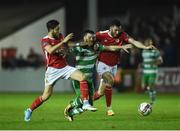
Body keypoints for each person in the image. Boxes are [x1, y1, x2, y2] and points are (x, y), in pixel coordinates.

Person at [24, 20, 97, 122]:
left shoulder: (60, 36)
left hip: (64, 67)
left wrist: (65, 51)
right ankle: (29, 110)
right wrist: (63, 42)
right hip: (52, 70)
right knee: (45, 96)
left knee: (82, 77)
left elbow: (65, 47)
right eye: (57, 29)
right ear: (51, 30)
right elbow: (50, 50)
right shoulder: (45, 40)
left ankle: (85, 103)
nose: (59, 31)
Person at [64, 30, 132, 121]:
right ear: (85, 38)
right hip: (79, 78)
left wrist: (121, 46)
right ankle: (71, 105)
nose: (91, 39)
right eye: (89, 37)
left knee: (89, 104)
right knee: (84, 100)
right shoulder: (79, 48)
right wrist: (78, 44)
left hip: (89, 79)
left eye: (93, 37)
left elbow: (110, 47)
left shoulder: (96, 47)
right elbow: (68, 48)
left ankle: (70, 111)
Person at [95, 19, 156, 116]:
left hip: (113, 66)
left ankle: (82, 102)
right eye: (115, 30)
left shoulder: (122, 34)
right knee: (110, 81)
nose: (117, 32)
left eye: (118, 30)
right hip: (102, 64)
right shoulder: (101, 35)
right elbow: (89, 41)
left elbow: (133, 41)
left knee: (99, 94)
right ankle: (109, 109)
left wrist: (145, 47)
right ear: (110, 28)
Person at [141, 38, 163, 105]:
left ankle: (153, 100)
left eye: (149, 43)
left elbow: (160, 61)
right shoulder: (143, 51)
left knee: (151, 86)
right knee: (143, 86)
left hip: (152, 71)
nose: (148, 44)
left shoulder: (155, 51)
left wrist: (154, 62)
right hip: (145, 72)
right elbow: (145, 60)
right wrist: (142, 64)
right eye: (147, 43)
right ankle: (150, 90)